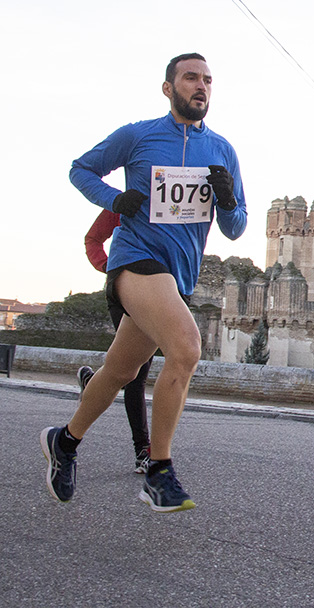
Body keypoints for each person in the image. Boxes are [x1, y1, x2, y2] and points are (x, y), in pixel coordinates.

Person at [42, 52, 246, 513]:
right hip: (135, 261)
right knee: (187, 346)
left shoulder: (223, 150)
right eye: (191, 77)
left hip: (179, 276)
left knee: (120, 371)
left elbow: (235, 227)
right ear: (168, 87)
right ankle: (159, 471)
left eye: (208, 80)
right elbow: (81, 168)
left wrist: (229, 198)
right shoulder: (138, 135)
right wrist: (117, 199)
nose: (201, 86)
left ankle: (65, 441)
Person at [78, 208, 154, 474]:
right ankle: (143, 450)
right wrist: (108, 266)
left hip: (158, 290)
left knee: (128, 367)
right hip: (124, 288)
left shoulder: (167, 200)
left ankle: (93, 384)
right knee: (136, 372)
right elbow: (93, 239)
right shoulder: (121, 203)